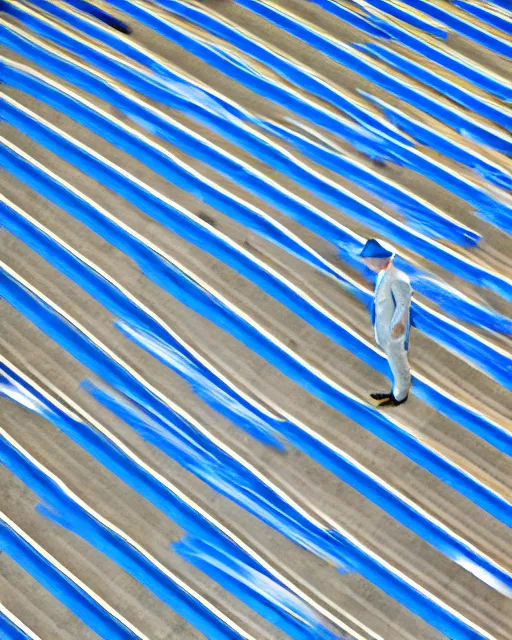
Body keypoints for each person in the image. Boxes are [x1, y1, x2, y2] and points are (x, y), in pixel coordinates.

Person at [359, 238, 412, 407]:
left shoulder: (397, 278)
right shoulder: (383, 275)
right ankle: (396, 392)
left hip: (393, 332)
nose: (366, 263)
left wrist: (395, 327)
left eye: (369, 260)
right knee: (393, 362)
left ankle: (399, 395)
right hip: (384, 329)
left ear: (379, 260)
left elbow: (403, 304)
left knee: (398, 363)